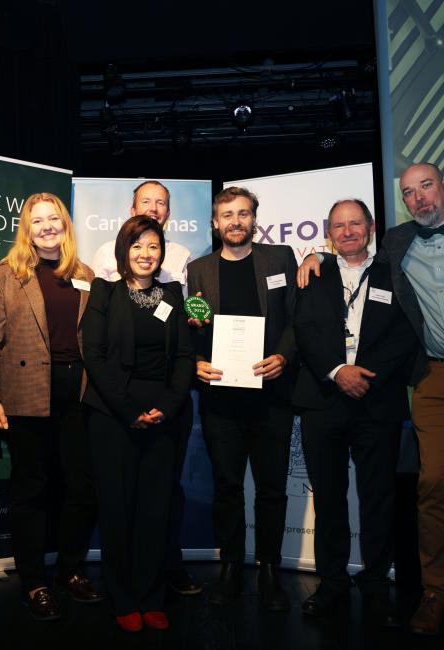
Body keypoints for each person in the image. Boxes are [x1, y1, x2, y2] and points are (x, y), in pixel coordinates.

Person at [297, 163, 444, 649]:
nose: (419, 198)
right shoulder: (395, 243)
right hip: (437, 377)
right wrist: (309, 256)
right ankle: (436, 596)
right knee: (434, 489)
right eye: (408, 193)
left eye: (425, 186)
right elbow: (332, 276)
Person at [293, 199, 420, 625]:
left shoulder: (394, 273)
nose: (347, 232)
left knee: (378, 497)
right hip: (323, 401)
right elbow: (303, 328)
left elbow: (407, 331)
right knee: (328, 498)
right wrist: (336, 370)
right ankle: (331, 583)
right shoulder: (313, 271)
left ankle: (376, 586)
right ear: (328, 232)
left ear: (369, 227)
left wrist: (366, 374)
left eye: (355, 224)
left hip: (376, 398)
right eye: (339, 226)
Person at [0, 192, 101, 622]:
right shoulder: (7, 274)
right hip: (27, 396)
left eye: (54, 219)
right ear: (26, 229)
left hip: (78, 399)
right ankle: (33, 581)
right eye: (38, 221)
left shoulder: (83, 273)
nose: (47, 226)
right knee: (29, 490)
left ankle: (70, 571)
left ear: (65, 224)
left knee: (81, 490)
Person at [81, 215, 194, 632]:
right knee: (117, 508)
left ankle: (151, 596)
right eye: (137, 246)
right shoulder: (105, 292)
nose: (146, 254)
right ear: (123, 251)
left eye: (153, 246)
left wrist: (166, 405)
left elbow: (184, 356)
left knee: (154, 509)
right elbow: (93, 355)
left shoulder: (172, 294)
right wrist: (129, 410)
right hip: (113, 415)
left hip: (164, 415)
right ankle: (124, 597)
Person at [187, 186, 297, 611]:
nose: (235, 221)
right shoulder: (199, 270)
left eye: (243, 214)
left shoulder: (280, 259)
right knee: (227, 488)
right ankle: (231, 566)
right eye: (227, 215)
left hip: (272, 397)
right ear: (216, 223)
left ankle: (269, 569)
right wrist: (196, 360)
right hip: (221, 400)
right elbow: (193, 325)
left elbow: (295, 317)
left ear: (255, 219)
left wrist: (284, 356)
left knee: (271, 489)